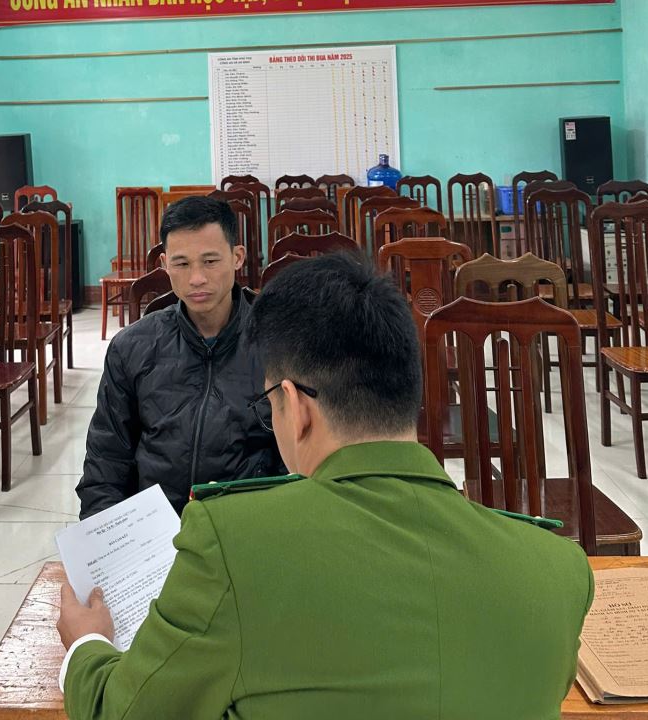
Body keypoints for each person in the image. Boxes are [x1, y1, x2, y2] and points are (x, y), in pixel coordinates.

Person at [59, 253, 594, 720]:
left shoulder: (233, 546)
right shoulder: (558, 569)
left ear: (295, 407)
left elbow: (124, 711)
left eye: (269, 403)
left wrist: (86, 644)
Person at [75, 195, 282, 519]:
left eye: (210, 261)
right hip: (156, 531)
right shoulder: (132, 347)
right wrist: (105, 537)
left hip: (246, 527)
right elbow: (106, 462)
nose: (196, 278)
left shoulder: (279, 345)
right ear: (164, 264)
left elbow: (298, 463)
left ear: (237, 257)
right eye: (182, 264)